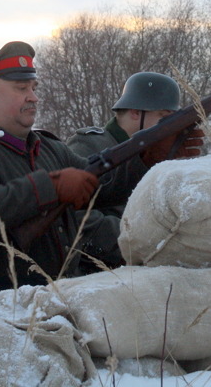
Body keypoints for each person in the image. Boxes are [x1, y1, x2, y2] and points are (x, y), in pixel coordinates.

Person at [0, 42, 203, 290]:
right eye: (21, 89)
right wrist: (50, 188)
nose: (33, 97)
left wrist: (148, 158)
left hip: (52, 297)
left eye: (34, 88)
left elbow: (100, 188)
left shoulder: (48, 148)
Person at [66, 72, 182, 272]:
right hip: (97, 271)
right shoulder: (89, 144)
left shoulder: (157, 155)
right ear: (136, 112)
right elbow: (72, 215)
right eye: (162, 117)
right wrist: (135, 241)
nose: (168, 127)